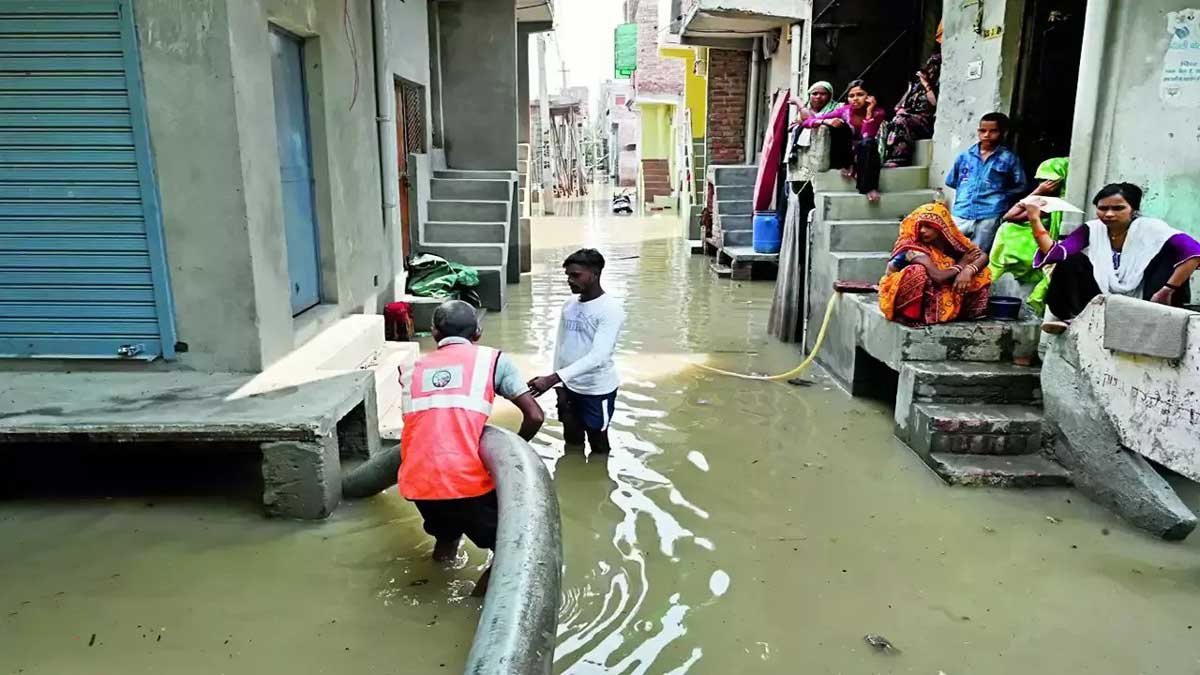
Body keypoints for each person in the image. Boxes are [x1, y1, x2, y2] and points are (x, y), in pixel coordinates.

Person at [398, 300, 545, 594]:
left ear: (434, 332)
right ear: (477, 332)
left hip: (417, 479)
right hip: (464, 481)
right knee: (508, 550)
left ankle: (437, 581)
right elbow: (535, 415)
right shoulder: (492, 361)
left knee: (447, 534)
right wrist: (509, 459)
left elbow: (429, 423)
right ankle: (474, 609)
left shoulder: (410, 367)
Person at [1026, 183, 1200, 333]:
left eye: (1118, 208)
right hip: (1101, 297)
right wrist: (1034, 218)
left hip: (1151, 299)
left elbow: (1195, 252)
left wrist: (1167, 290)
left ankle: (1155, 316)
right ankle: (1078, 316)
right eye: (1103, 208)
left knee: (1169, 257)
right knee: (1071, 261)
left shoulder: (1152, 229)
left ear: (1133, 210)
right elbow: (1057, 253)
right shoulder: (1092, 229)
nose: (1109, 214)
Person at [528, 248, 625, 455]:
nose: (570, 280)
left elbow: (598, 357)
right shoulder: (569, 305)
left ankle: (598, 483)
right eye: (568, 276)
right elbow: (560, 346)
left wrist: (551, 378)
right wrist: (559, 385)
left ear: (595, 274)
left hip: (596, 391)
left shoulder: (610, 309)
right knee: (571, 440)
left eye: (576, 275)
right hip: (568, 387)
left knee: (599, 443)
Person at [878, 202, 993, 326]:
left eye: (928, 226)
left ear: (941, 227)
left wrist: (968, 271)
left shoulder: (952, 242)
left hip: (938, 286)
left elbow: (982, 256)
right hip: (896, 294)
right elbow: (938, 276)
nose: (922, 231)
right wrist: (961, 265)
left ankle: (966, 313)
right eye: (920, 226)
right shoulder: (913, 248)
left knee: (981, 271)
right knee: (917, 271)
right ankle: (908, 316)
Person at [987, 157, 1069, 315]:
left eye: (1049, 180)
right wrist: (1038, 193)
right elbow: (1009, 216)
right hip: (1038, 240)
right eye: (1041, 181)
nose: (1044, 184)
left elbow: (1010, 216)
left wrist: (1038, 195)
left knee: (1007, 230)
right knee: (1006, 229)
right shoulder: (1044, 199)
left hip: (1049, 245)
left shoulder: (1056, 204)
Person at [945, 112, 1028, 252]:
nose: (987, 135)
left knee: (978, 255)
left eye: (993, 131)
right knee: (949, 250)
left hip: (989, 215)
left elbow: (1020, 185)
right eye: (982, 131)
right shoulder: (964, 157)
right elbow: (953, 181)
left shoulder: (1009, 159)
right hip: (961, 212)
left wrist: (999, 198)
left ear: (1003, 133)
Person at [801, 80, 887, 202]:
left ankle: (869, 188)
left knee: (867, 143)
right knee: (839, 125)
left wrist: (869, 113)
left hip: (866, 153)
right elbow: (807, 122)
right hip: (846, 152)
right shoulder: (844, 111)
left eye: (860, 95)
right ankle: (846, 164)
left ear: (869, 97)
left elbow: (867, 135)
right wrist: (825, 121)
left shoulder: (878, 112)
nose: (855, 99)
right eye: (851, 96)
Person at [882, 23, 942, 168]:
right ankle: (886, 156)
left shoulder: (936, 84)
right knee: (892, 121)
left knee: (902, 121)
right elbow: (902, 103)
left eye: (934, 66)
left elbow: (934, 103)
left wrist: (926, 83)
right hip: (911, 117)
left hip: (927, 121)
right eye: (929, 65)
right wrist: (901, 108)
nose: (930, 68)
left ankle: (900, 158)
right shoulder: (916, 85)